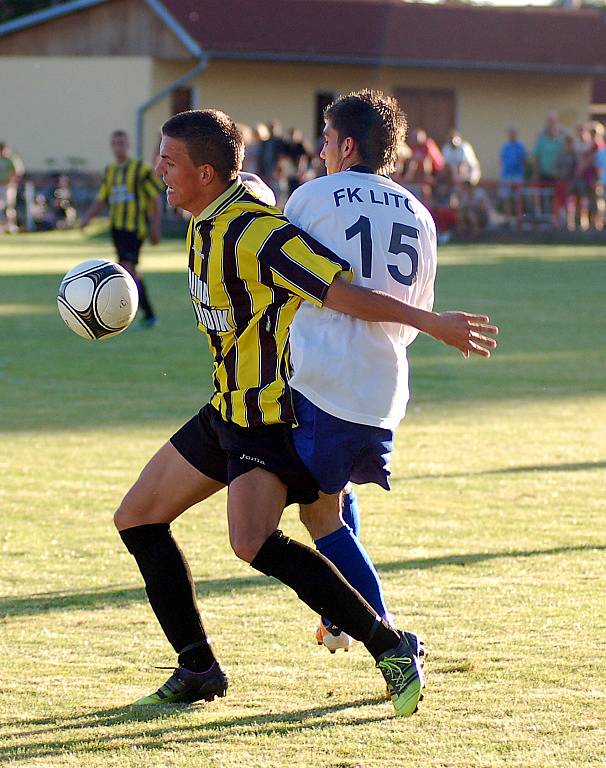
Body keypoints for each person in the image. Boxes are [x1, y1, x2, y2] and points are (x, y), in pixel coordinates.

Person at [114, 108, 497, 718]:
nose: (158, 169)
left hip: (268, 414)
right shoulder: (205, 218)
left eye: (169, 162)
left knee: (255, 540)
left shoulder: (259, 235)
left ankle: (388, 644)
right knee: (136, 517)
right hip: (227, 408)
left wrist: (431, 322)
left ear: (205, 173)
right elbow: (252, 193)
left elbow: (339, 291)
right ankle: (198, 667)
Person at [80, 130, 163, 327]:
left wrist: (155, 227)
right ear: (111, 146)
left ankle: (134, 313)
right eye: (115, 143)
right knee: (130, 270)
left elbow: (155, 199)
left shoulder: (140, 170)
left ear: (129, 145)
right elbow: (102, 198)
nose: (119, 147)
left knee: (126, 269)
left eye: (122, 143)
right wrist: (87, 218)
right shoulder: (110, 171)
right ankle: (147, 313)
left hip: (134, 228)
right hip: (117, 227)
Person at [498, 128, 527, 229]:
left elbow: (524, 161)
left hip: (518, 175)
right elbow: (501, 161)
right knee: (507, 198)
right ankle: (508, 220)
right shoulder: (505, 147)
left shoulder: (520, 146)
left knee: (517, 199)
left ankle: (518, 219)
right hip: (506, 176)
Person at [0, 141, 24, 233]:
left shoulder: (11, 159)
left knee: (9, 206)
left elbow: (18, 172)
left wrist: (10, 181)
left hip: (8, 186)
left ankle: (11, 225)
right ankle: (2, 226)